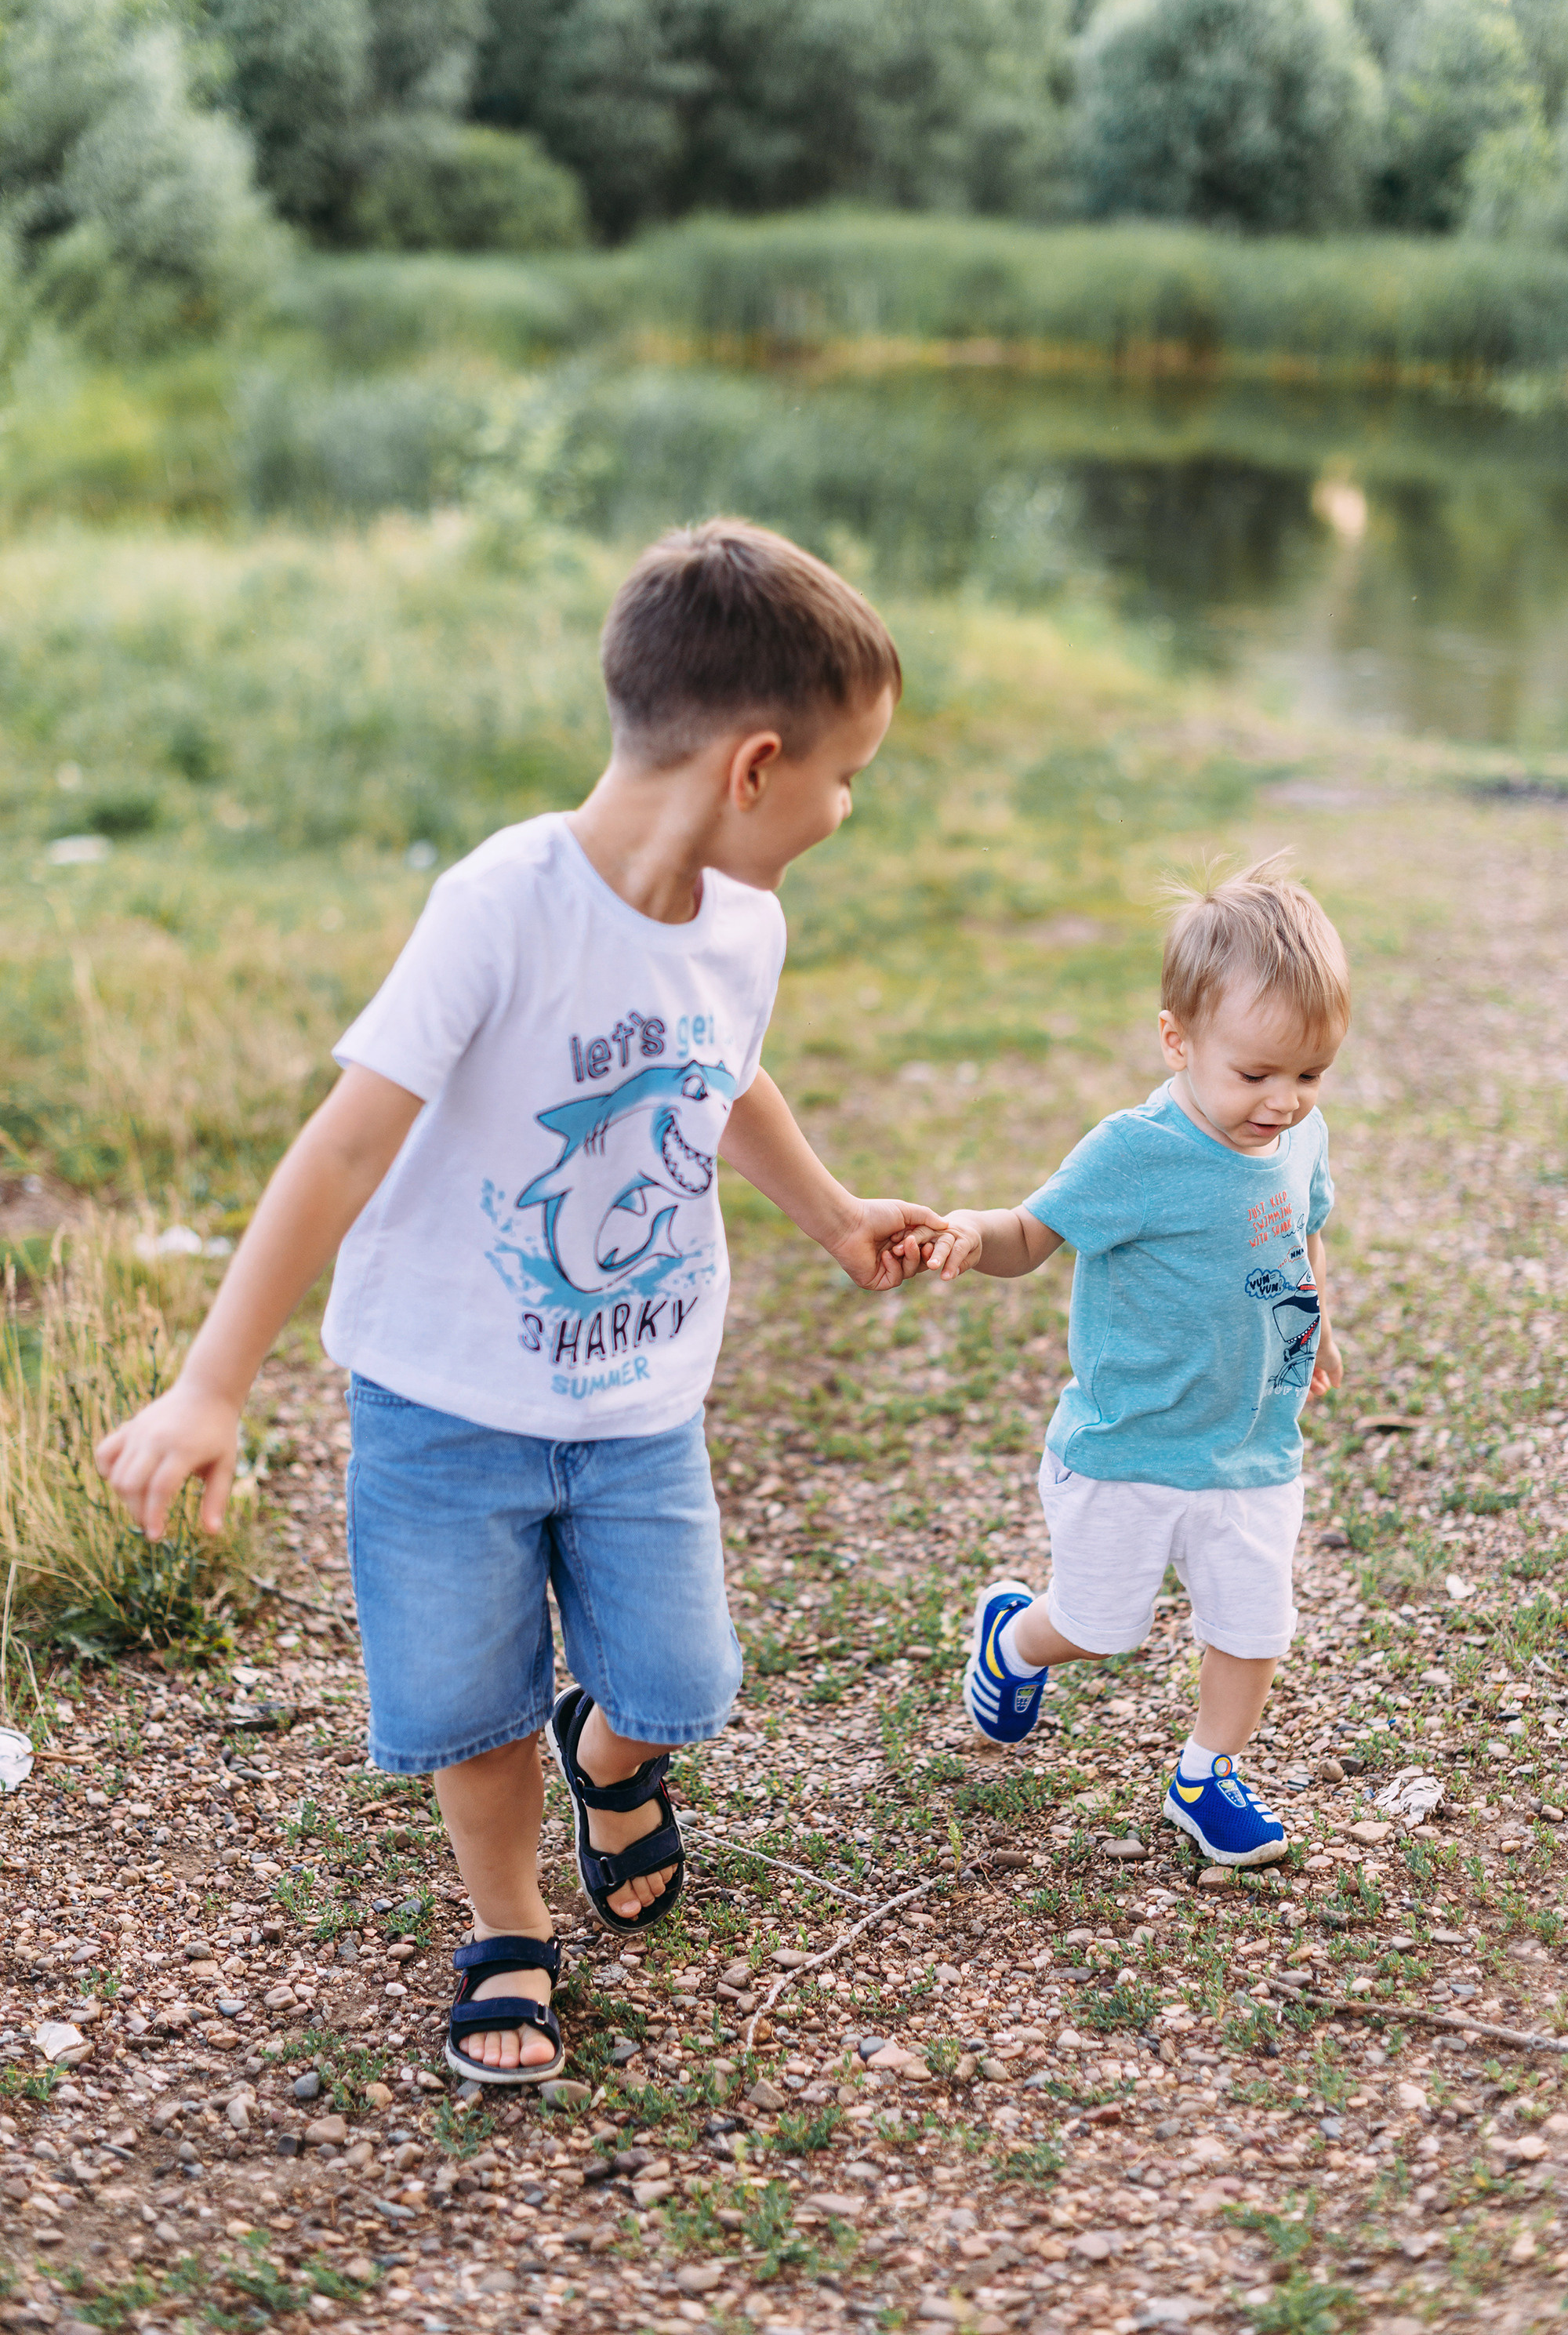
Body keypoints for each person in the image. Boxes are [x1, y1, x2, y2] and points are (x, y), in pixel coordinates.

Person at [96, 519, 943, 2083]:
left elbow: (722, 1075)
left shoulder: (745, 923)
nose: (848, 808)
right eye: (848, 776)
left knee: (681, 1680)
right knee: (471, 1703)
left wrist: (828, 1214)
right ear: (755, 766)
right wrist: (214, 1381)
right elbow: (342, 1143)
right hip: (441, 1405)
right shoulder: (500, 903)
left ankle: (609, 1756)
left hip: (634, 1404)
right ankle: (507, 1920)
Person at [924, 855, 1348, 1867]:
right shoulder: (1135, 1151)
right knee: (1099, 1624)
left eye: (1309, 1075)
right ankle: (1015, 1637)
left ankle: (1207, 1774)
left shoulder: (1298, 1137)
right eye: (1255, 1074)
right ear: (1178, 1039)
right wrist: (968, 1233)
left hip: (1250, 1449)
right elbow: (1033, 1234)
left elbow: (1304, 1231)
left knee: (1255, 1626)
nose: (1283, 1102)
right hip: (1126, 1446)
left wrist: (1316, 1318)